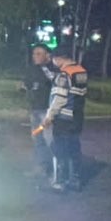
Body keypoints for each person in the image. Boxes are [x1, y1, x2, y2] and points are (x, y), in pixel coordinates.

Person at [38, 50, 88, 192]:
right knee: (74, 149)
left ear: (59, 58)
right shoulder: (80, 71)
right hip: (77, 117)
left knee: (60, 149)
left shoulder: (64, 75)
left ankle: (60, 182)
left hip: (64, 118)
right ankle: (75, 179)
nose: (53, 61)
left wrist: (49, 117)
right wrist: (44, 68)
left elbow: (59, 98)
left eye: (53, 59)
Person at [20, 44, 57, 177]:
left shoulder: (52, 69)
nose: (35, 56)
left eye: (39, 54)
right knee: (37, 138)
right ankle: (41, 167)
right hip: (34, 110)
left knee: (49, 140)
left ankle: (56, 170)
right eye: (34, 54)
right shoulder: (32, 69)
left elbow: (55, 82)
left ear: (48, 55)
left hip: (46, 112)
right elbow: (26, 83)